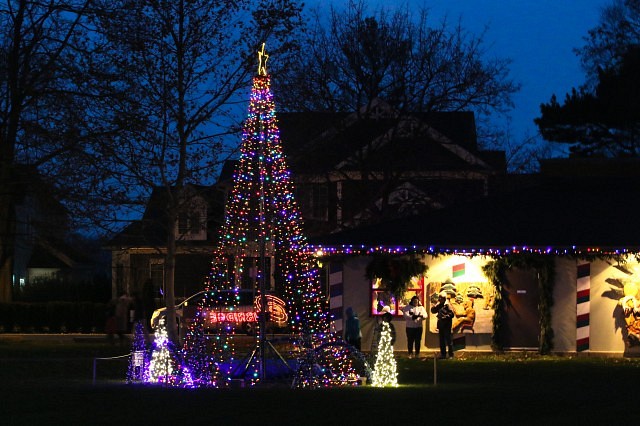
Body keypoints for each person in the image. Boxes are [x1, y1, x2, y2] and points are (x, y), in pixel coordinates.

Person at [431, 291, 455, 359]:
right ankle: (443, 354)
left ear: (444, 298)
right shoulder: (439, 305)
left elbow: (452, 314)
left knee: (448, 340)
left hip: (447, 325)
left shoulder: (447, 305)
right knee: (441, 340)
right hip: (440, 324)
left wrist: (445, 317)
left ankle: (451, 355)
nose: (439, 299)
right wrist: (436, 305)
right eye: (439, 298)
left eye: (440, 298)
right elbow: (433, 311)